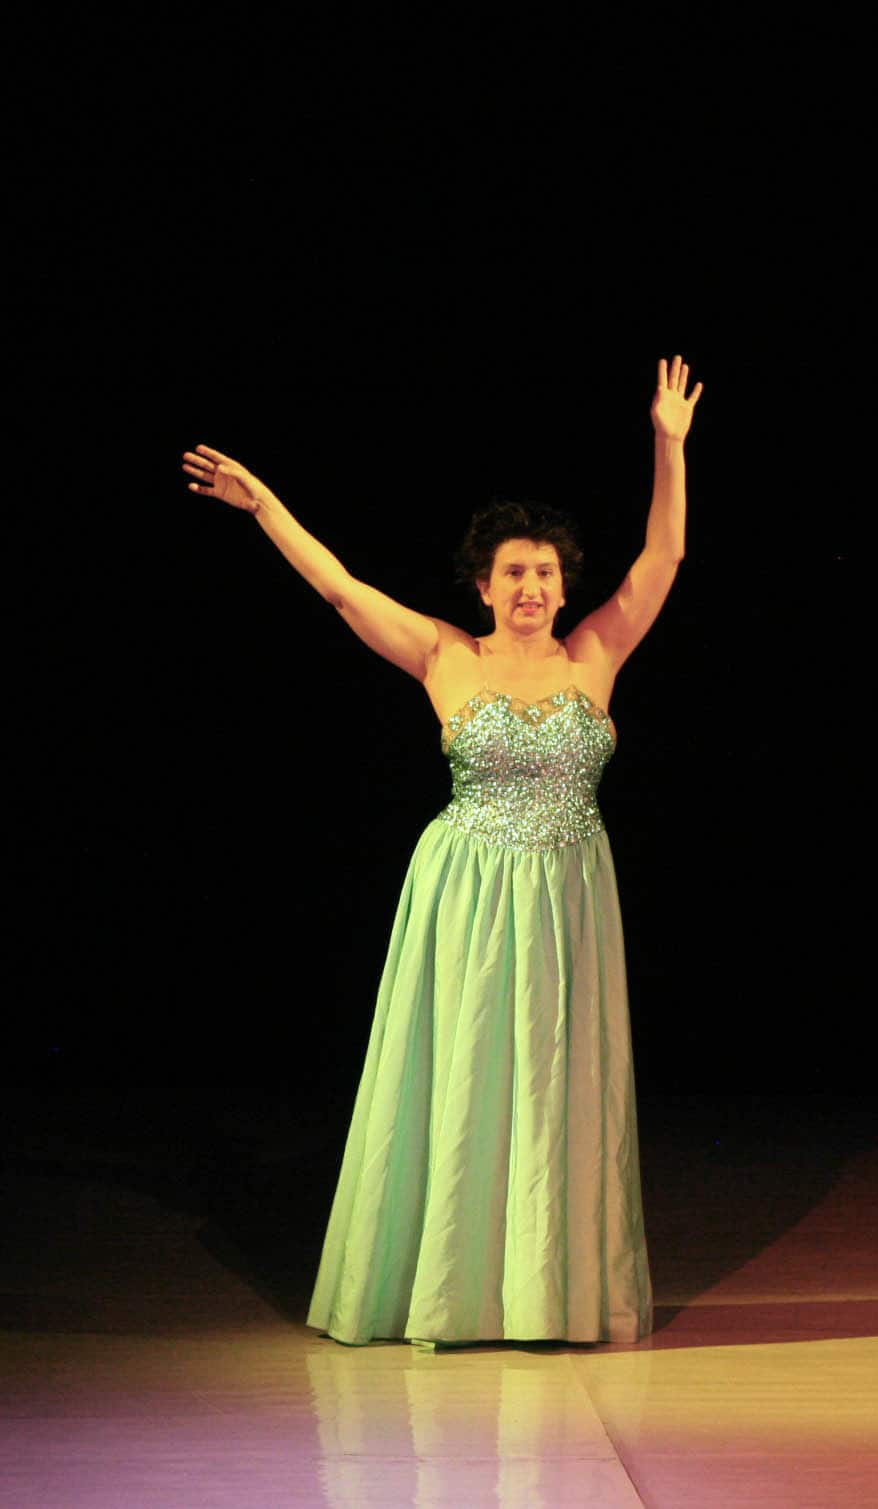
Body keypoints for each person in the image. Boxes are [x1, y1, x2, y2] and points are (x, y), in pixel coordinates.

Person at [183, 356, 702, 1347]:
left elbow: (664, 557)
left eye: (545, 573)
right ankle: (448, 1290)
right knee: (463, 1084)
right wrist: (264, 507)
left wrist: (667, 444)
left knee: (553, 1091)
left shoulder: (596, 652)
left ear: (564, 587)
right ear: (483, 585)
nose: (531, 587)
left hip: (569, 897)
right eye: (514, 573)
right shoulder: (445, 654)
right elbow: (340, 589)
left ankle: (547, 1296)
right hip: (464, 894)